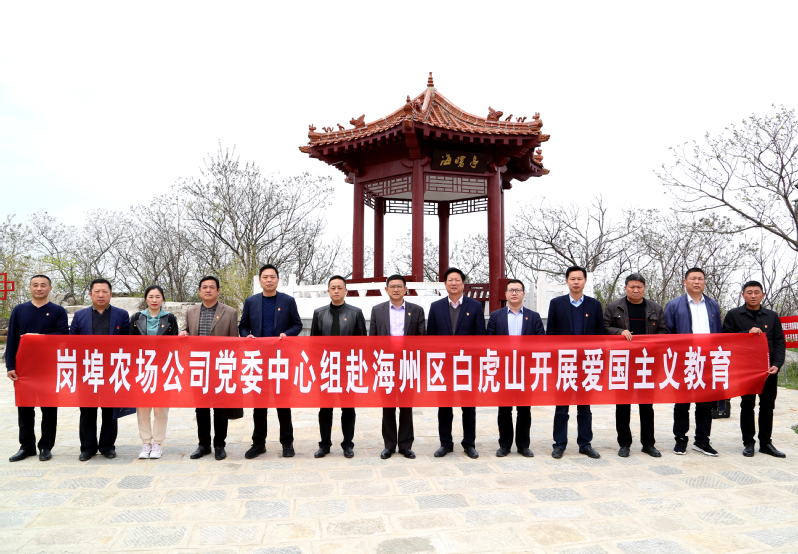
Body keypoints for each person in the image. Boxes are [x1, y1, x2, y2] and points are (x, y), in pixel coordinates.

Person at [239, 264, 303, 458]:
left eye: (272, 277)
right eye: (265, 277)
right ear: (260, 280)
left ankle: (287, 443)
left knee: (283, 403)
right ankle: (258, 443)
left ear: (277, 279)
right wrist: (247, 336)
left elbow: (297, 325)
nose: (269, 280)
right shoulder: (251, 302)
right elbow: (243, 326)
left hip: (281, 360)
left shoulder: (288, 301)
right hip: (257, 360)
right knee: (259, 404)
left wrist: (287, 334)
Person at [6, 275, 69, 462]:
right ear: (30, 288)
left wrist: (39, 337)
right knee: (25, 409)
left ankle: (46, 447)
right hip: (24, 367)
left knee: (49, 409)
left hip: (49, 367)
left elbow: (63, 335)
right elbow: (12, 339)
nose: (39, 288)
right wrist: (10, 365)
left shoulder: (58, 311)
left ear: (50, 288)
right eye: (35, 285)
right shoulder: (19, 310)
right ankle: (26, 446)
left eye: (43, 285)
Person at [603, 273, 667, 458]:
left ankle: (648, 444)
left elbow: (663, 331)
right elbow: (604, 328)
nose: (636, 290)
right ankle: (624, 443)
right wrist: (619, 332)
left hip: (647, 362)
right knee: (622, 405)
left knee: (646, 405)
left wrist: (650, 341)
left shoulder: (655, 308)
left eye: (639, 286)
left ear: (644, 288)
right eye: (632, 286)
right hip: (622, 362)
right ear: (625, 288)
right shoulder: (614, 307)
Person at [427, 267, 486, 459]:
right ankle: (445, 443)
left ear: (463, 283)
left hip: (467, 365)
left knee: (468, 406)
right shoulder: (436, 307)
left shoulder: (475, 306)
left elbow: (480, 337)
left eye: (457, 280)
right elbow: (431, 337)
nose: (454, 283)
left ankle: (469, 443)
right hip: (443, 366)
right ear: (445, 284)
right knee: (444, 406)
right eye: (450, 280)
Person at [722, 281, 786, 458]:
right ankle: (748, 442)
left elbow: (779, 342)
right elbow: (725, 338)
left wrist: (777, 364)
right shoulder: (734, 315)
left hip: (768, 370)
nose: (753, 295)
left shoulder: (772, 316)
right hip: (746, 369)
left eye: (756, 292)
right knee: (747, 405)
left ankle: (766, 443)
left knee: (767, 406)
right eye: (749, 292)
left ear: (762, 295)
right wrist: (746, 333)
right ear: (743, 295)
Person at [70, 278, 130, 461]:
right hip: (87, 369)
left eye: (105, 291)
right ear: (90, 294)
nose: (101, 295)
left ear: (111, 294)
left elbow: (129, 343)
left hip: (112, 370)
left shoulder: (122, 315)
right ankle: (87, 448)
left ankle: (107, 446)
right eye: (97, 291)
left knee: (110, 410)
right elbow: (72, 343)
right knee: (87, 411)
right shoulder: (80, 316)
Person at [664, 267, 722, 456]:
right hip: (684, 360)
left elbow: (719, 333)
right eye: (693, 278)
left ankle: (702, 440)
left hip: (707, 360)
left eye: (700, 279)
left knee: (705, 404)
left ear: (704, 282)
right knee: (682, 403)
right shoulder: (674, 305)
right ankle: (680, 439)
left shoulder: (713, 305)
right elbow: (667, 334)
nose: (697, 282)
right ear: (685, 282)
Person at [548, 266, 604, 459]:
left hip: (587, 363)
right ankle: (559, 444)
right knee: (561, 407)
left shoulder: (594, 305)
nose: (576, 282)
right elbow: (551, 334)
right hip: (564, 363)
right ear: (567, 281)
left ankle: (585, 444)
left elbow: (600, 336)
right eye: (572, 279)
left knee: (585, 407)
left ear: (585, 281)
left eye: (580, 278)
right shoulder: (557, 304)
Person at [181, 276, 240, 461]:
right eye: (204, 287)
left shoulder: (230, 312)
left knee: (221, 408)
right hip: (199, 367)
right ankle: (203, 444)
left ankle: (219, 445)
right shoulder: (191, 311)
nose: (208, 290)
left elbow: (235, 342)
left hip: (221, 366)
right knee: (201, 408)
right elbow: (187, 331)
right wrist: (183, 332)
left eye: (211, 287)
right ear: (200, 291)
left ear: (218, 291)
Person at [368, 274, 426, 460]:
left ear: (405, 289)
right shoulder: (377, 310)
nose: (396, 289)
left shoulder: (416, 311)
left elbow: (422, 339)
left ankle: (406, 445)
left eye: (399, 286)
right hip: (385, 363)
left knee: (406, 405)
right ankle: (389, 445)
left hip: (407, 363)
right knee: (388, 405)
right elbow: (373, 339)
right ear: (386, 290)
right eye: (392, 286)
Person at [310, 275, 366, 458]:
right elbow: (313, 344)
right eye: (333, 288)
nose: (336, 291)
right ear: (328, 291)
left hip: (347, 368)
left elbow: (363, 344)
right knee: (325, 408)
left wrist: (359, 368)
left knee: (348, 408)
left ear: (346, 290)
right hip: (326, 368)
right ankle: (324, 444)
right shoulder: (319, 313)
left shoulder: (355, 313)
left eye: (339, 288)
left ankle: (347, 444)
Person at [487, 279, 544, 457]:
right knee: (504, 409)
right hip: (503, 369)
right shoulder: (496, 316)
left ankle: (523, 445)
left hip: (525, 370)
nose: (514, 293)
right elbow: (489, 342)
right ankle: (504, 445)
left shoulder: (533, 317)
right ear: (505, 294)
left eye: (518, 290)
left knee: (524, 409)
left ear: (523, 294)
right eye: (511, 290)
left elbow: (541, 342)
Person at [129, 285, 178, 460]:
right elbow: (129, 345)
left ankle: (157, 443)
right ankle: (146, 443)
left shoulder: (170, 318)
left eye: (158, 296)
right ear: (146, 299)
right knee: (142, 408)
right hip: (142, 368)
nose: (154, 300)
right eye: (151, 296)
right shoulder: (136, 318)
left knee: (161, 409)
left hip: (162, 369)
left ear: (162, 298)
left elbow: (174, 345)